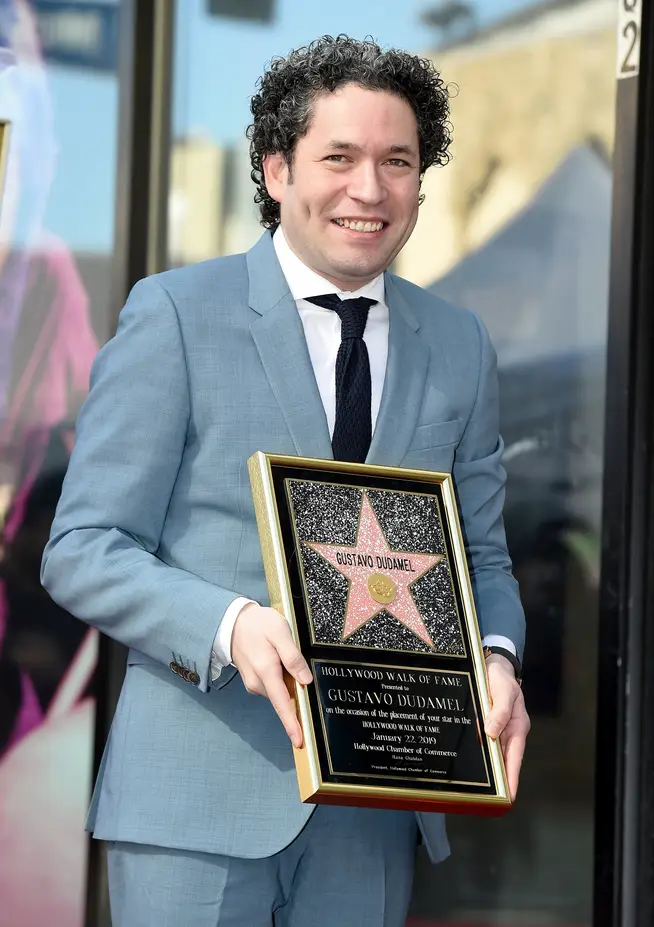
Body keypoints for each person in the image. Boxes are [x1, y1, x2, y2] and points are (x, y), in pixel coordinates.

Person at [41, 35, 530, 927]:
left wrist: (496, 659)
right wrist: (230, 626)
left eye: (398, 161)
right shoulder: (178, 314)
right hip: (193, 802)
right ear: (274, 169)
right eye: (337, 158)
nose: (369, 189)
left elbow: (483, 560)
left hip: (377, 811)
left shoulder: (460, 345)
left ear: (423, 179)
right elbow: (82, 549)